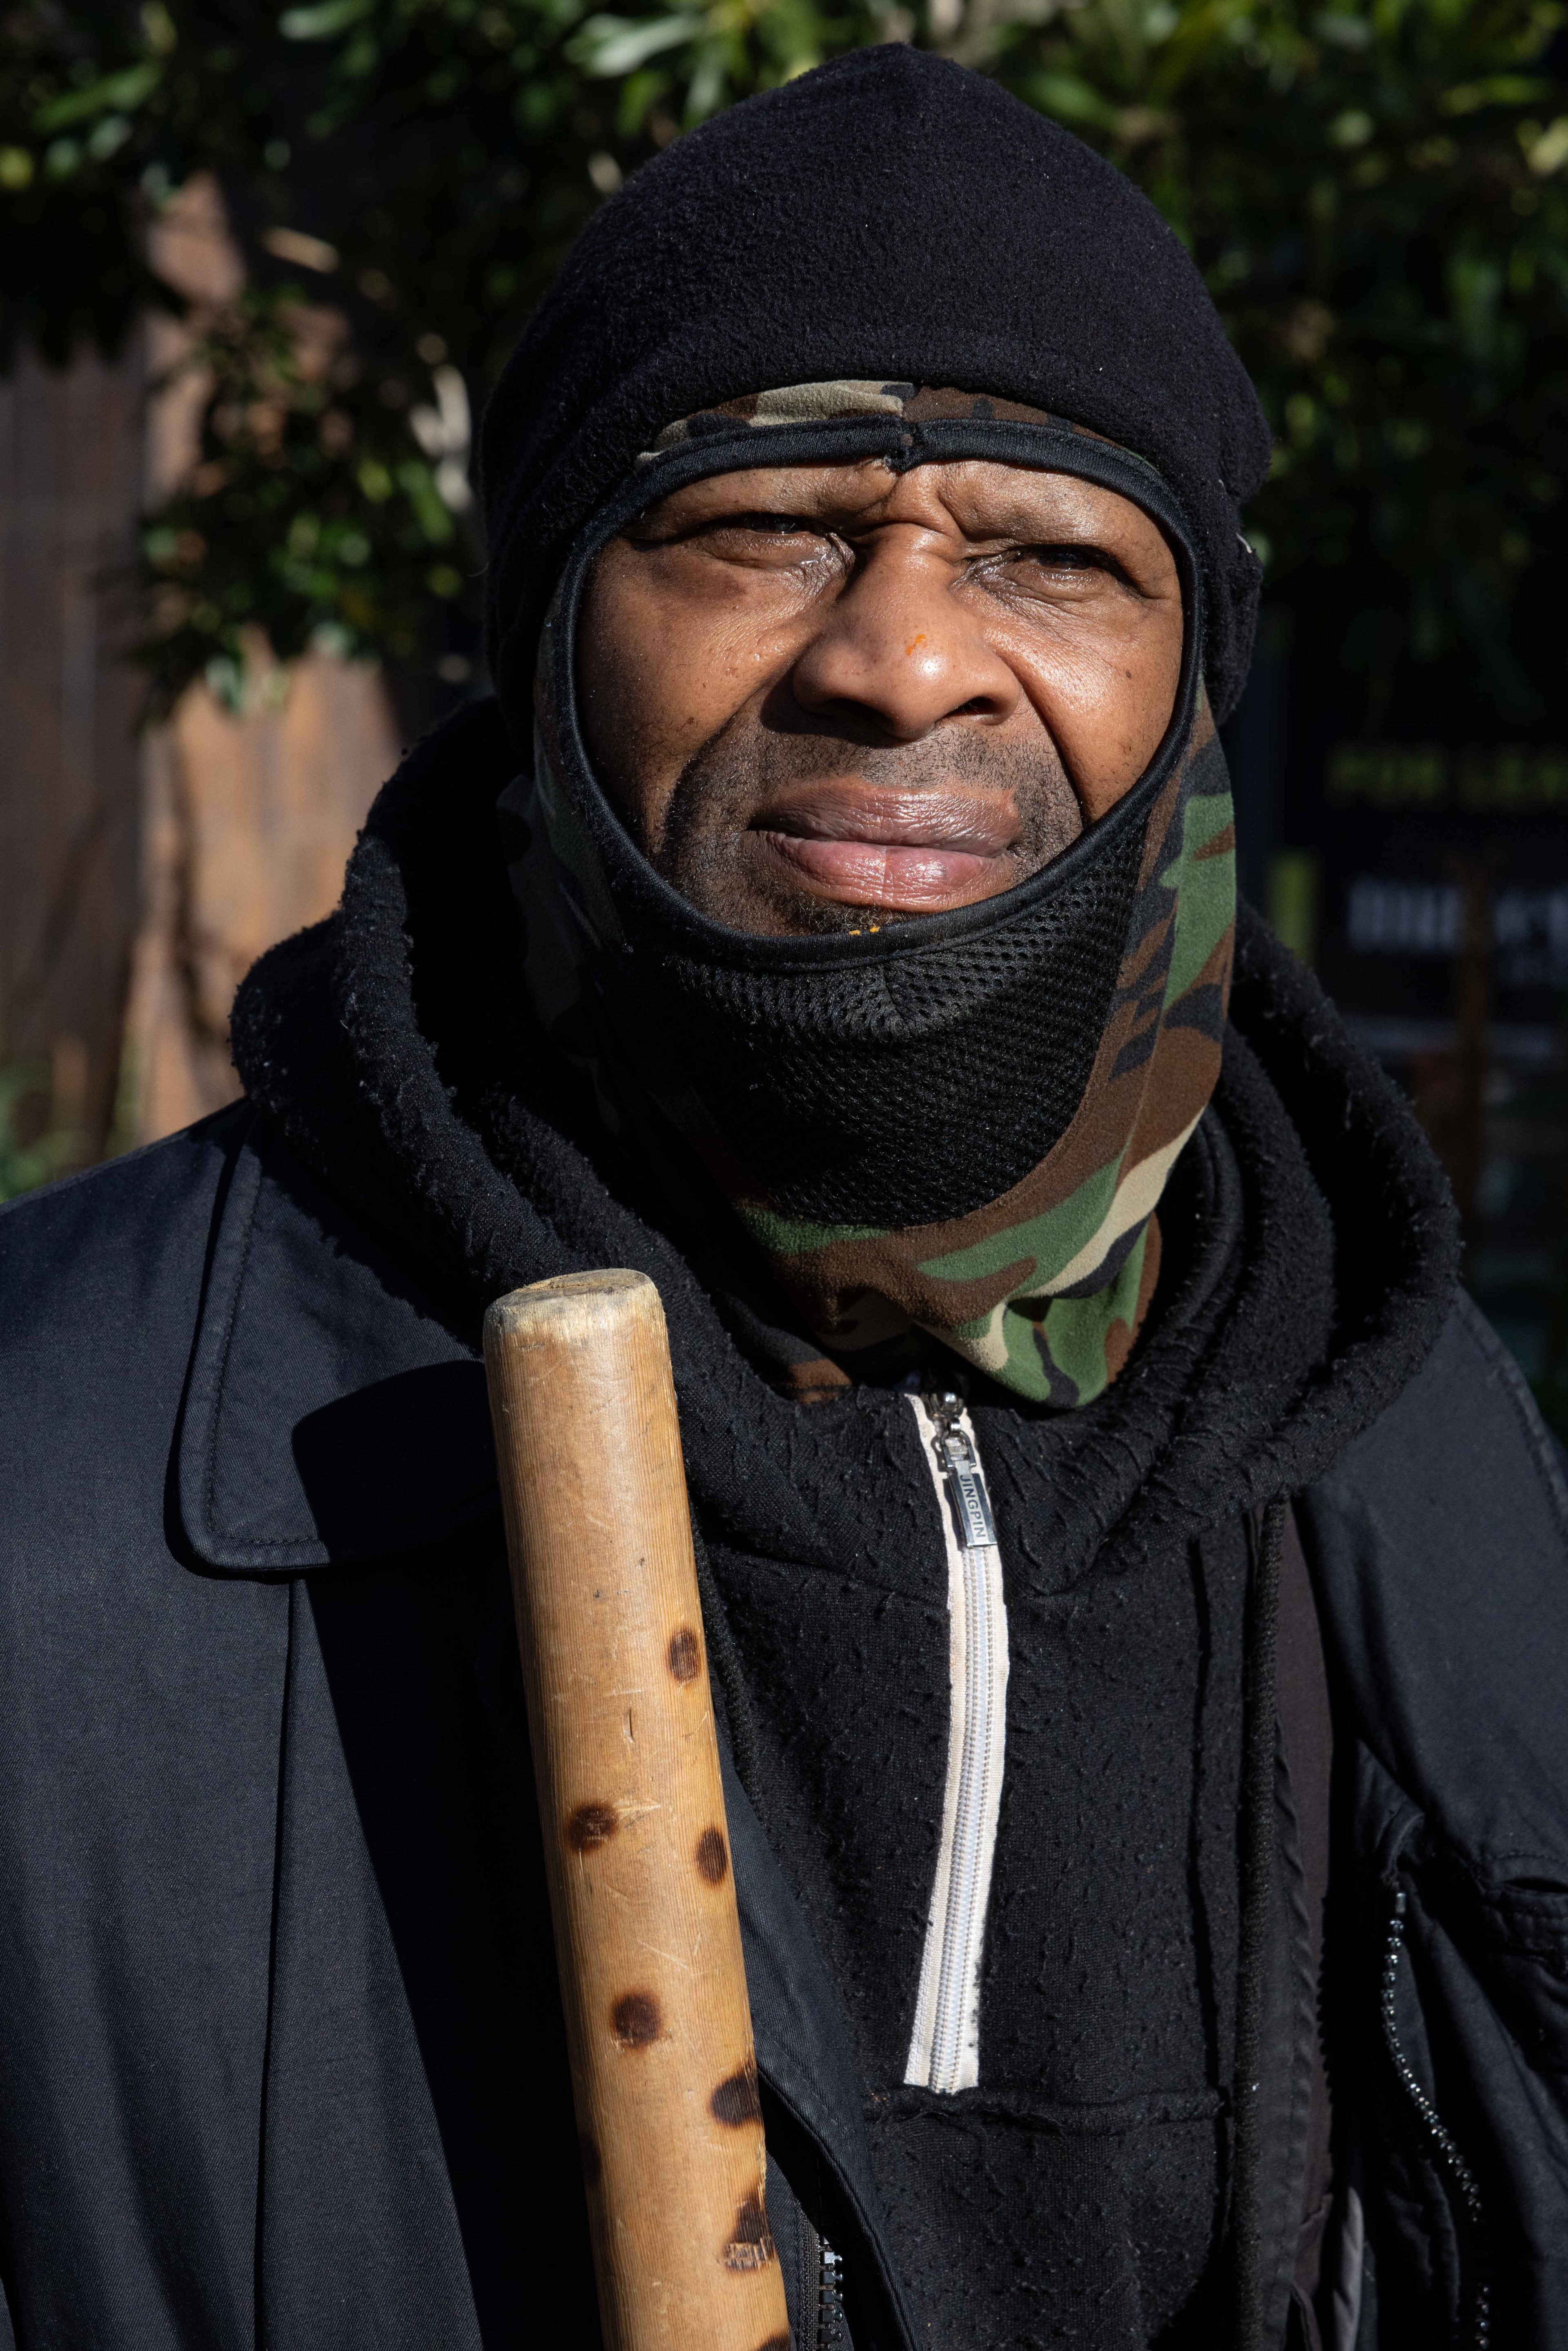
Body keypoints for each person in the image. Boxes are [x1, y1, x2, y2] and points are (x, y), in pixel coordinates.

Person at [0, 45, 1564, 2351]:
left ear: (1196, 686)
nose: (904, 654)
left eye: (1051, 554)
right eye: (759, 526)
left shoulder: (1427, 1463)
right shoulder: (58, 1483)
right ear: (545, 630)